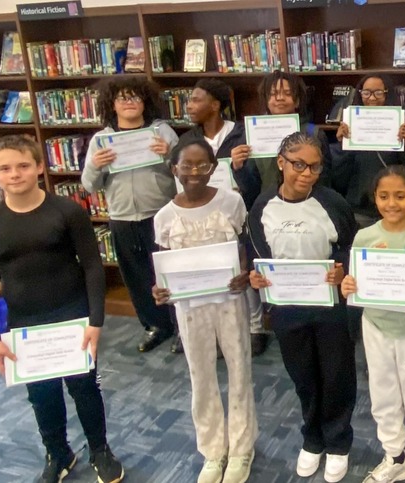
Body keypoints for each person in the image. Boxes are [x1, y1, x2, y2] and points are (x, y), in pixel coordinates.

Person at [0, 135, 125, 483]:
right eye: (5, 168)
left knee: (85, 387)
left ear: (39, 167)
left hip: (72, 317)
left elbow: (93, 267)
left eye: (23, 165)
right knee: (42, 396)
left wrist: (95, 322)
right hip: (25, 324)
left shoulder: (67, 211)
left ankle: (99, 449)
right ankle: (59, 453)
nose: (14, 174)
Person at [247, 132, 358, 483]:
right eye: (298, 165)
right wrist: (257, 278)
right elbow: (257, 256)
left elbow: (351, 248)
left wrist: (342, 270)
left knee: (336, 374)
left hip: (329, 308)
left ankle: (338, 441)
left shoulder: (333, 203)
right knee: (303, 376)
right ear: (281, 163)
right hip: (287, 310)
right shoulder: (262, 207)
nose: (307, 173)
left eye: (314, 166)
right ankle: (312, 438)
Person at [151, 139, 258, 483]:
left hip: (229, 302)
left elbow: (243, 248)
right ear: (174, 170)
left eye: (202, 165)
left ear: (214, 168)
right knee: (201, 376)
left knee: (240, 370)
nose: (194, 172)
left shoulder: (232, 202)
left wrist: (242, 274)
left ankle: (242, 448)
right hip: (190, 307)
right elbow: (163, 269)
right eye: (187, 166)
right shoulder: (165, 216)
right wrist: (160, 290)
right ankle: (213, 450)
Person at [340, 165, 405, 483]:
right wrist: (348, 286)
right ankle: (397, 456)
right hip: (377, 327)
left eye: (400, 196)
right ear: (375, 198)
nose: (392, 203)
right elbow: (356, 282)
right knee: (383, 394)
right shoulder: (365, 236)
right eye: (384, 196)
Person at [81, 77, 178, 353]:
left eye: (135, 96)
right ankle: (155, 326)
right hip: (122, 218)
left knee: (168, 272)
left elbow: (184, 172)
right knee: (137, 276)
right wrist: (97, 166)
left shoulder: (161, 132)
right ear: (112, 103)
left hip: (160, 214)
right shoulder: (102, 139)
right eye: (122, 97)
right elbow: (90, 185)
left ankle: (180, 326)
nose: (129, 102)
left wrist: (170, 155)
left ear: (145, 101)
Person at [178, 78, 268, 356]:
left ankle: (256, 327)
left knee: (244, 266)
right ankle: (217, 329)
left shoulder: (242, 135)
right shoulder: (187, 140)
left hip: (239, 210)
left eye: (195, 99)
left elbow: (256, 183)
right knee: (213, 270)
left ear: (215, 105)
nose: (189, 106)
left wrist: (240, 169)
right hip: (202, 216)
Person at [329, 74, 405, 229]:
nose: (372, 98)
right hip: (359, 212)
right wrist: (342, 146)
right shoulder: (349, 127)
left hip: (395, 209)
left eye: (378, 93)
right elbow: (339, 178)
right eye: (366, 93)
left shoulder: (404, 127)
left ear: (388, 94)